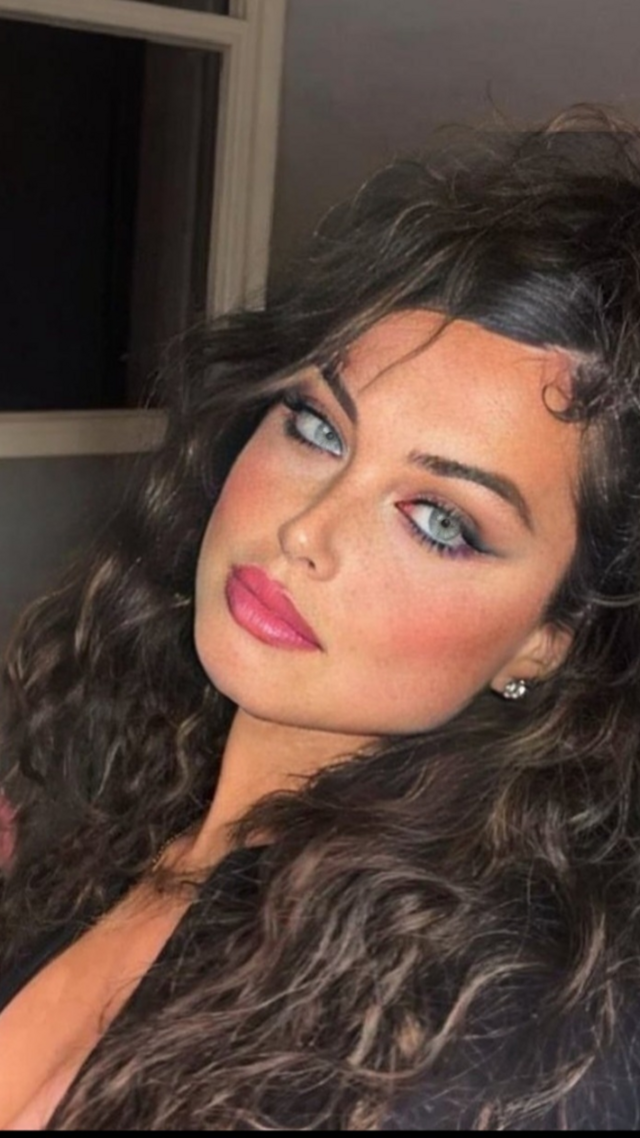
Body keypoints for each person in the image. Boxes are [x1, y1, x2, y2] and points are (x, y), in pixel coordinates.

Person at [2, 107, 640, 1131]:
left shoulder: (479, 1044)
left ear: (547, 637)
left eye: (439, 520)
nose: (305, 528)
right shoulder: (112, 788)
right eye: (316, 426)